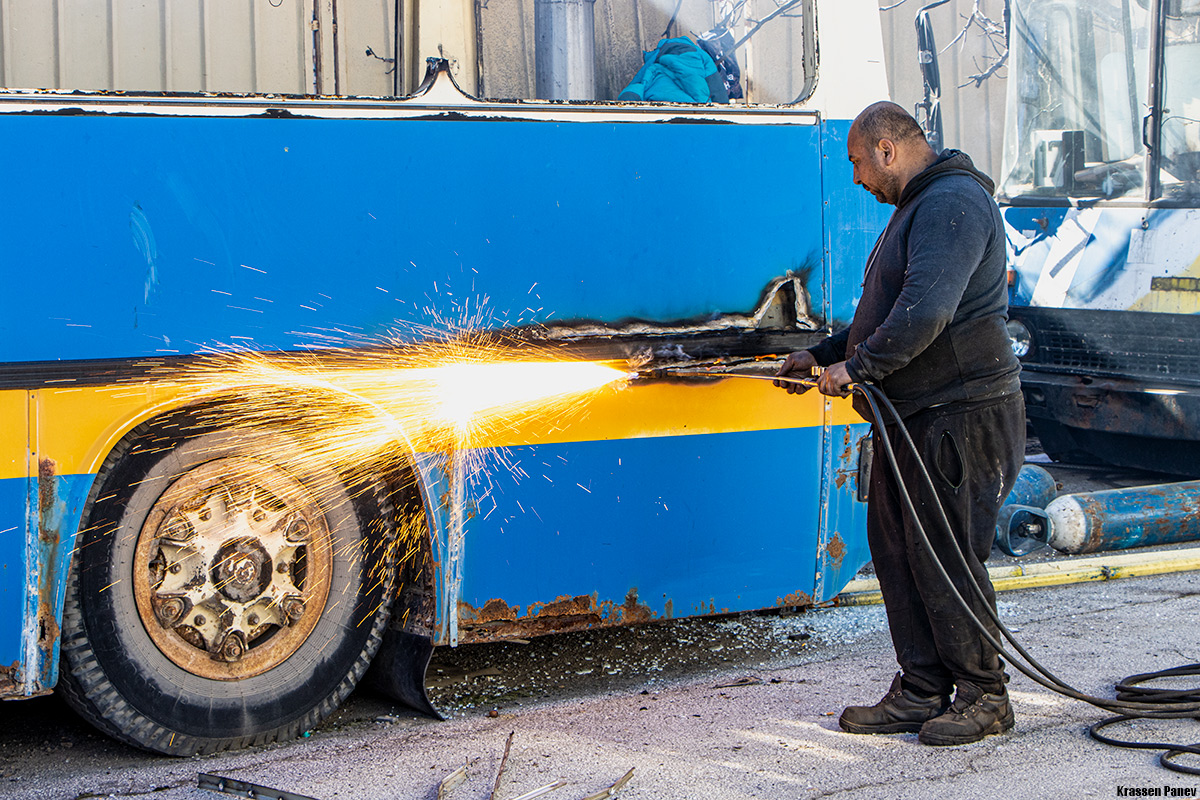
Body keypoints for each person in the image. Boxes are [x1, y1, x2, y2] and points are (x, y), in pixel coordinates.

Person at [774, 101, 1024, 746]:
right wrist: (824, 353)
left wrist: (859, 368)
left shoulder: (952, 205)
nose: (857, 178)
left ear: (887, 149)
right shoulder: (918, 209)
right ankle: (921, 690)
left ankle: (984, 696)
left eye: (858, 162)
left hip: (959, 413)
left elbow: (924, 313)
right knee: (897, 553)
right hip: (914, 414)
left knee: (945, 557)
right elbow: (885, 311)